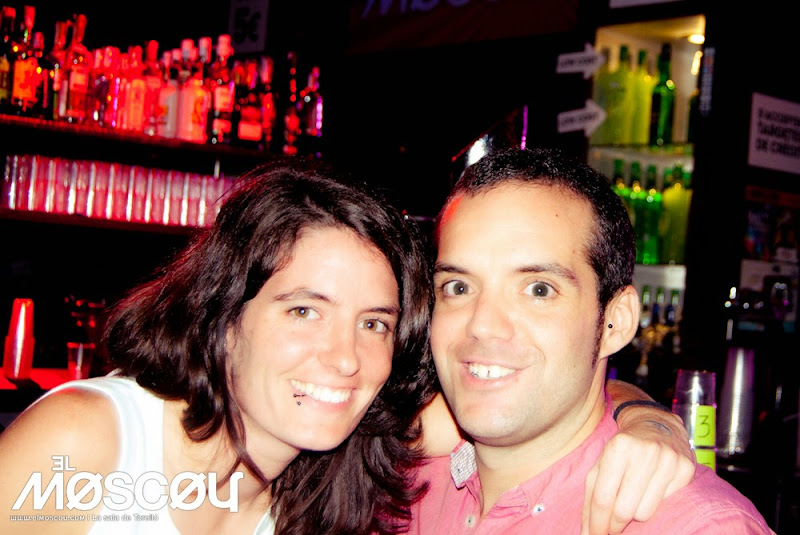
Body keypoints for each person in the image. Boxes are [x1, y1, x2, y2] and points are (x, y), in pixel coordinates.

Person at [0, 159, 691, 535]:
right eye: (304, 310)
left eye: (374, 323)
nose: (343, 358)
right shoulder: (89, 442)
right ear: (225, 314)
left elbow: (547, 390)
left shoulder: (347, 452)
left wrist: (650, 422)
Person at [409, 146, 776, 534]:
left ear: (615, 323)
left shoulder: (696, 527)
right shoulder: (395, 487)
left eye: (538, 289)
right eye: (459, 287)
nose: (482, 325)